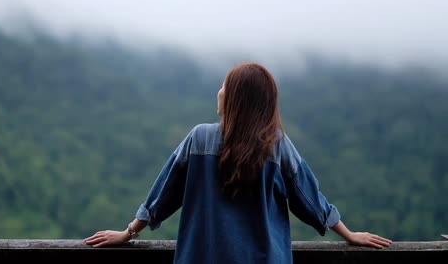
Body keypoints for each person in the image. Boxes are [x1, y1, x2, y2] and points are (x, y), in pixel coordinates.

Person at [84, 62, 392, 263]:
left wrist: (128, 233)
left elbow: (163, 194)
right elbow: (311, 200)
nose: (218, 92)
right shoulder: (278, 145)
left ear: (234, 100)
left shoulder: (199, 139)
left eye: (224, 87)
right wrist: (349, 235)